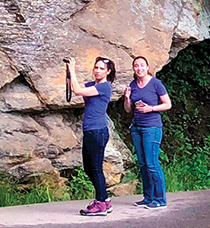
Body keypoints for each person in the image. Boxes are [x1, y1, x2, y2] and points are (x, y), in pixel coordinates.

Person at [66, 56, 116, 216]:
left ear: (108, 71)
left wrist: (73, 70)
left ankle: (101, 203)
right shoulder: (92, 85)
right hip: (90, 131)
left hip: (98, 131)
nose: (98, 70)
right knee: (88, 167)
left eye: (102, 68)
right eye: (96, 67)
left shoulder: (105, 87)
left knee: (95, 167)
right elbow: (76, 87)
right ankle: (105, 200)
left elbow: (77, 91)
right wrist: (69, 72)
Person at [123, 56, 171, 209]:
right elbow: (128, 109)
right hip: (137, 127)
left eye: (142, 65)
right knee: (143, 164)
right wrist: (127, 98)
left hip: (152, 127)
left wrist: (151, 108)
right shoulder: (133, 85)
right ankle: (148, 197)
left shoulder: (156, 83)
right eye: (136, 66)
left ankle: (160, 199)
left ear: (147, 66)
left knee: (152, 163)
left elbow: (167, 104)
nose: (139, 68)